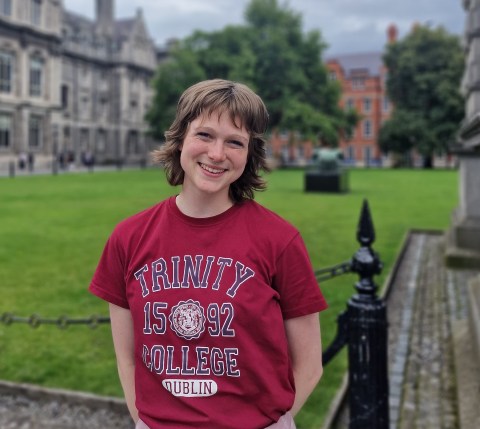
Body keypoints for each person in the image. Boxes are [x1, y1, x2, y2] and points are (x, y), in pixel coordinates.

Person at [89, 79, 328, 429]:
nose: (217, 154)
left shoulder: (279, 240)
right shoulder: (129, 237)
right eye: (204, 135)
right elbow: (127, 357)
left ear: (249, 154)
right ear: (181, 138)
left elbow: (309, 365)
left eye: (234, 142)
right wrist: (143, 418)